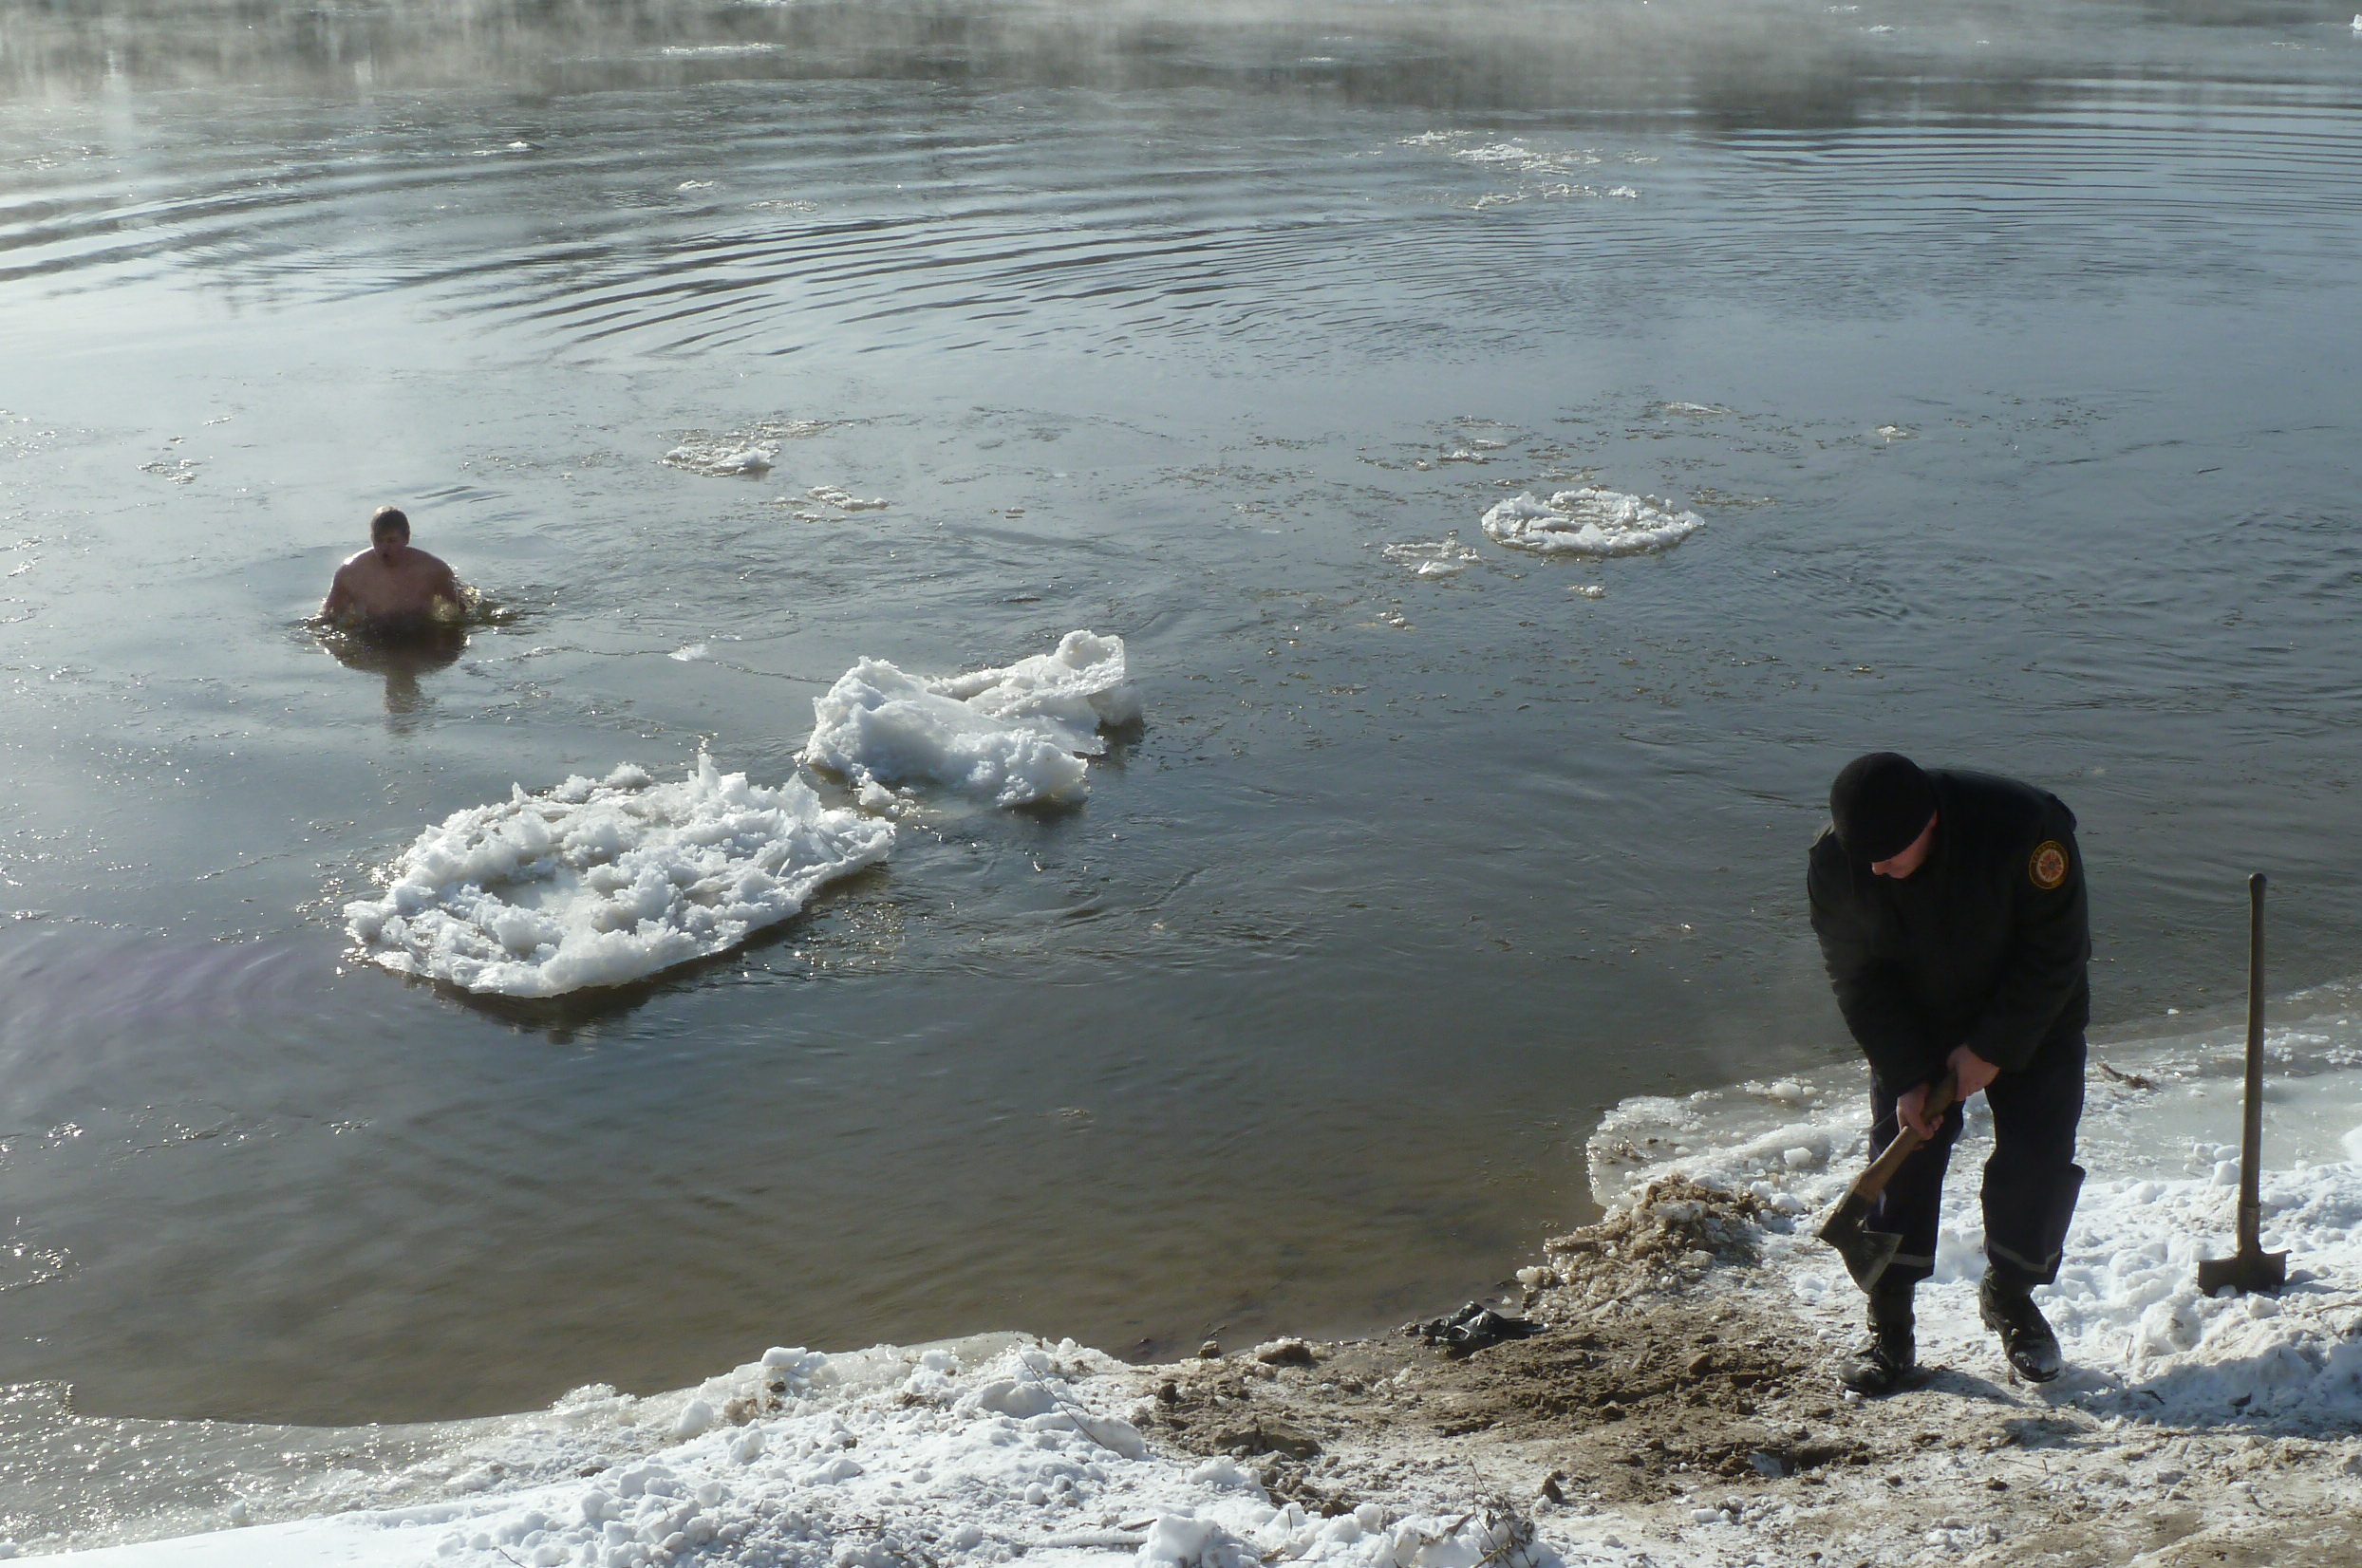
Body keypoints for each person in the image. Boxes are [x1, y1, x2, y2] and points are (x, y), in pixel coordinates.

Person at [1807, 752, 2090, 1395]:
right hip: (1916, 1019)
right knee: (1903, 1161)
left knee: (2039, 1157)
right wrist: (1907, 1072)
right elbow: (1856, 979)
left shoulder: (2026, 831)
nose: (1875, 869)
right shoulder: (1836, 860)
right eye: (1864, 855)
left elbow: (2057, 953)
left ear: (1930, 824)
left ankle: (2010, 1295)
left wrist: (1992, 1047)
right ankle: (1890, 1324)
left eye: (1889, 855)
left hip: (2033, 1013)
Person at [320, 506, 463, 631]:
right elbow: (327, 618)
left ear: (406, 538)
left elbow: (464, 610)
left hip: (421, 632)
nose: (384, 547)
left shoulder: (433, 570)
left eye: (391, 540)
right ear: (371, 538)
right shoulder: (350, 573)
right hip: (371, 636)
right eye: (378, 540)